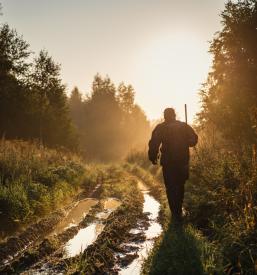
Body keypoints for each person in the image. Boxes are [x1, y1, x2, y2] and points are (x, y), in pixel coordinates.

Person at [148, 107, 198, 223]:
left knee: (170, 187)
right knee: (180, 186)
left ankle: (175, 213)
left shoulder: (161, 128)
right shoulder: (183, 126)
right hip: (182, 161)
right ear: (174, 115)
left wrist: (153, 157)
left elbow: (154, 143)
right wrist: (189, 141)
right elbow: (194, 139)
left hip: (168, 163)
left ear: (165, 116)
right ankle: (178, 211)